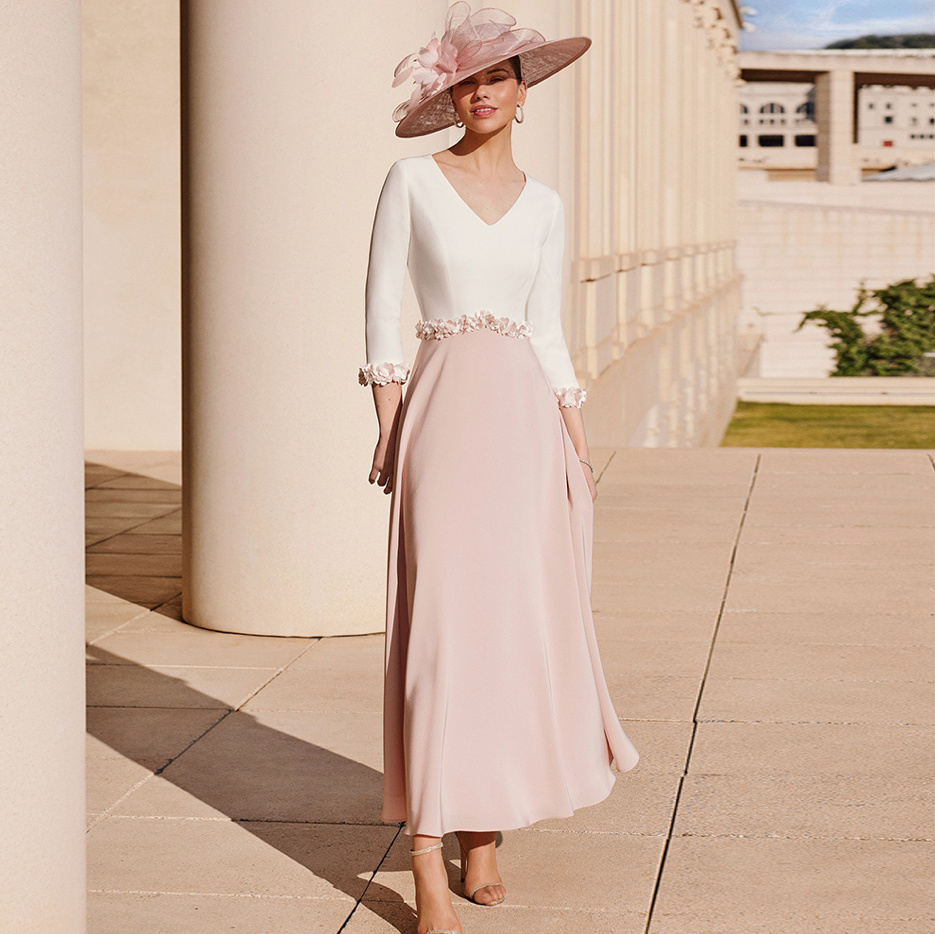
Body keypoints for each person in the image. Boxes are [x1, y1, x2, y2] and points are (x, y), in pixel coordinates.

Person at [358, 5, 639, 932]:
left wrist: (575, 437)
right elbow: (380, 319)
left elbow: (547, 330)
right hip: (440, 418)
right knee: (440, 631)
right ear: (448, 96)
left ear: (524, 91)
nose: (480, 94)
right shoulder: (409, 181)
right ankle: (429, 860)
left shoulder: (548, 204)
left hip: (525, 422)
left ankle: (484, 836)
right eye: (464, 82)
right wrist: (389, 426)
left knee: (508, 628)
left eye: (496, 79)